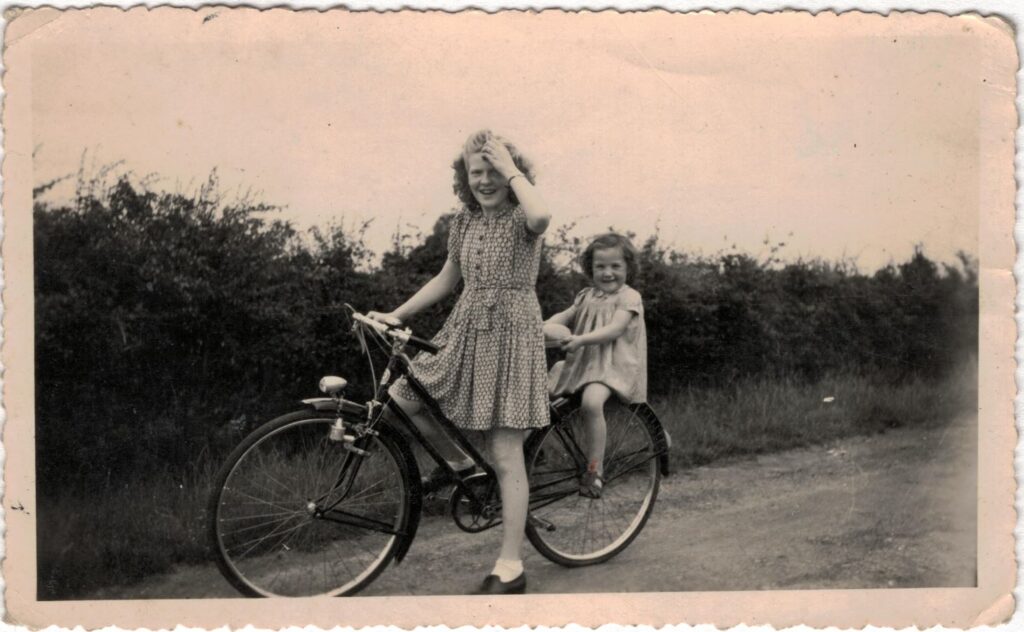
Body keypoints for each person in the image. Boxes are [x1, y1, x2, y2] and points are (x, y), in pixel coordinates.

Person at [368, 129, 550, 595]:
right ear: (464, 178)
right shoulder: (465, 222)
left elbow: (542, 213)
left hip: (512, 333)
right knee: (404, 396)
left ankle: (510, 567)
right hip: (467, 327)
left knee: (506, 451)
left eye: (495, 171)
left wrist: (511, 168)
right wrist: (397, 313)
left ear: (512, 173)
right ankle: (463, 467)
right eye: (476, 172)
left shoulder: (521, 218)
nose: (485, 181)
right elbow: (447, 278)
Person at [544, 233, 648, 498]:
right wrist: (541, 327)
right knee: (539, 394)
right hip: (585, 364)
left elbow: (614, 330)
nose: (607, 273)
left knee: (591, 402)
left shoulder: (629, 298)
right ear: (591, 268)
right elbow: (564, 316)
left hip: (614, 367)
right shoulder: (586, 296)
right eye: (600, 266)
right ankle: (529, 452)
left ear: (628, 268)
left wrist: (580, 340)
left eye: (615, 266)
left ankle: (595, 470)